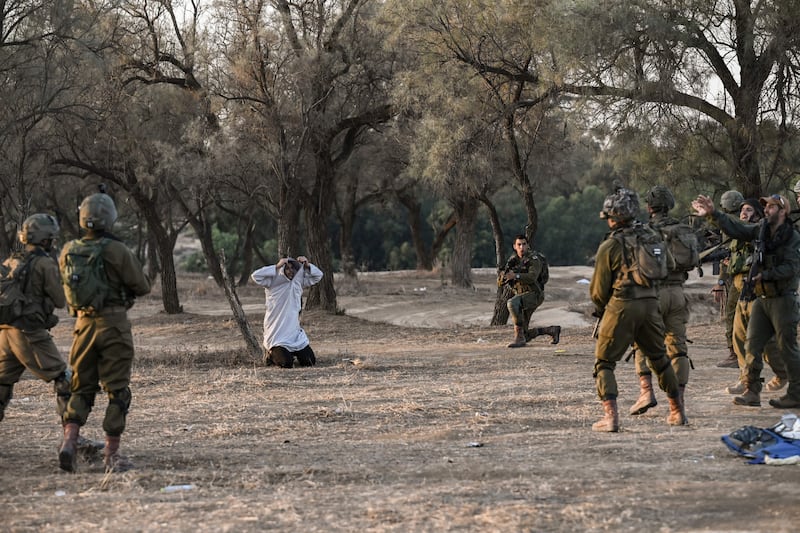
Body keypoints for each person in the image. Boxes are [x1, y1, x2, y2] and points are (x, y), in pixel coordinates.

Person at [58, 193, 151, 473]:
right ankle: (112, 454)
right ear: (110, 217)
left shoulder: (68, 250)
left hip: (82, 327)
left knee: (80, 387)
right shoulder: (117, 250)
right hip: (113, 325)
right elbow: (142, 286)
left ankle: (69, 443)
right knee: (117, 391)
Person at [590, 187, 687, 432]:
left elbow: (598, 292)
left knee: (604, 363)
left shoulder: (610, 245)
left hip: (622, 305)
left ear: (613, 217)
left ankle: (610, 418)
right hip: (651, 304)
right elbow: (671, 265)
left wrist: (604, 310)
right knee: (660, 359)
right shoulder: (653, 237)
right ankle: (677, 412)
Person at [692, 193, 800, 409]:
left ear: (782, 211)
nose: (767, 210)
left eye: (771, 207)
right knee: (751, 343)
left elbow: (792, 268)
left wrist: (766, 275)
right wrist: (713, 214)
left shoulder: (792, 237)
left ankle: (796, 394)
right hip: (761, 297)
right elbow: (736, 229)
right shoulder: (760, 230)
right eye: (765, 206)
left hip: (782, 299)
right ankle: (751, 390)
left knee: (786, 348)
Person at [629, 186, 697, 416]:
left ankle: (646, 392)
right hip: (678, 293)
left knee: (642, 343)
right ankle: (678, 407)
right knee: (678, 347)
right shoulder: (683, 229)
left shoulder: (644, 231)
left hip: (652, 295)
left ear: (649, 207)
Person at [0, 214, 72, 424]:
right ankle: (72, 440)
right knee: (65, 380)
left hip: (5, 332)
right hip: (29, 333)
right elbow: (60, 301)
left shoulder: (11, 260)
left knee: (2, 385)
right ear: (45, 239)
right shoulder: (44, 263)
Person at [723, 199, 787, 395]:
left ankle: (784, 373)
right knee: (739, 337)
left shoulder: (761, 233)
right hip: (740, 288)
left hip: (758, 290)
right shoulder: (739, 233)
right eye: (742, 210)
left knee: (766, 341)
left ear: (758, 214)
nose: (743, 213)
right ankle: (747, 379)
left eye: (749, 210)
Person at [251, 256, 323, 368]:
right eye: (287, 268)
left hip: (293, 332)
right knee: (286, 363)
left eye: (293, 268)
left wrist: (307, 265)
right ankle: (271, 355)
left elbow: (318, 276)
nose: (290, 271)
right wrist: (277, 266)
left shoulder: (299, 281)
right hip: (277, 332)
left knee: (309, 361)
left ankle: (292, 352)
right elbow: (255, 276)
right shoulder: (272, 280)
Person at [499, 234, 560, 348]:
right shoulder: (513, 260)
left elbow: (532, 276)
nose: (522, 247)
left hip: (534, 295)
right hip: (522, 296)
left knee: (512, 303)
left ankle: (519, 337)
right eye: (519, 245)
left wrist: (516, 276)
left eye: (524, 244)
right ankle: (551, 330)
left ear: (528, 245)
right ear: (514, 246)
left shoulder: (534, 259)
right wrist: (504, 276)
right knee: (526, 335)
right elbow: (501, 282)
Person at [714, 189, 745, 368]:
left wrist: (719, 281)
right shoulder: (746, 222)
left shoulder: (729, 224)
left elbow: (727, 257)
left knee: (732, 314)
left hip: (737, 277)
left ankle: (734, 353)